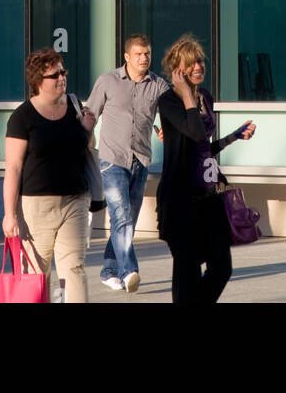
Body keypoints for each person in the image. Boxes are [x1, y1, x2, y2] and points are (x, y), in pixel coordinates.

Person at [157, 34, 256, 305]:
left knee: (222, 268)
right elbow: (195, 133)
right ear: (177, 70)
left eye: (200, 61)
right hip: (180, 201)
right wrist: (188, 95)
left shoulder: (205, 97)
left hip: (210, 198)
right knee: (186, 273)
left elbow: (204, 149)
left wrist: (232, 137)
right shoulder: (169, 102)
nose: (198, 67)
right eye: (191, 64)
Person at [3, 48, 96, 304]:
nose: (61, 78)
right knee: (36, 276)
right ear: (38, 81)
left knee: (74, 270)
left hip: (74, 201)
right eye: (54, 75)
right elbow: (13, 168)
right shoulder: (22, 118)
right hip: (36, 207)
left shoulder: (74, 107)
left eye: (63, 72)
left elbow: (83, 148)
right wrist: (10, 214)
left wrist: (87, 129)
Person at [85, 33, 169, 294]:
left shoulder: (158, 85)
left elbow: (170, 114)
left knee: (127, 218)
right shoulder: (108, 81)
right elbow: (90, 115)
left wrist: (168, 128)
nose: (143, 58)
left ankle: (108, 270)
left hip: (140, 160)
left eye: (147, 53)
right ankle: (129, 270)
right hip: (112, 159)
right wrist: (79, 143)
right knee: (121, 215)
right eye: (138, 54)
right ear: (126, 57)